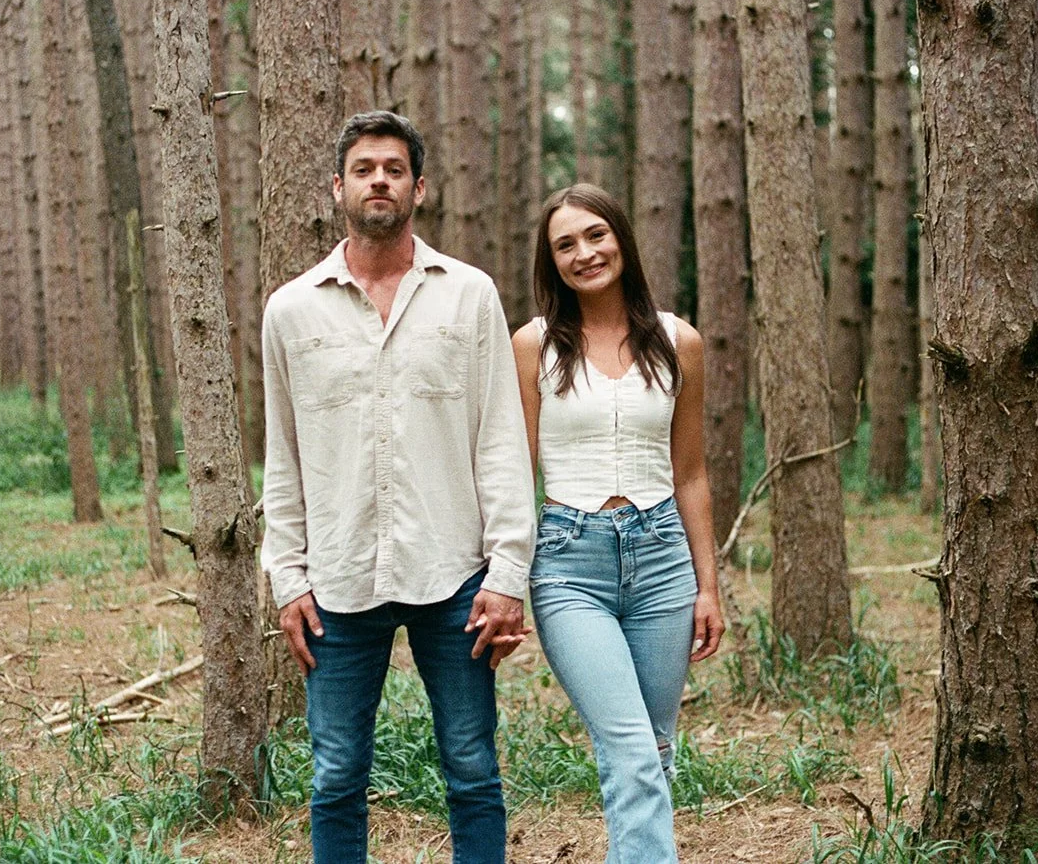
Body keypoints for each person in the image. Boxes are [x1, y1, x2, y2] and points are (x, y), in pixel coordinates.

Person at [260, 110, 537, 864]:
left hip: (455, 575)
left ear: (420, 185)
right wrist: (287, 579)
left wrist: (508, 573)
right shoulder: (290, 310)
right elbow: (280, 456)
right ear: (338, 187)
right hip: (337, 582)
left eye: (392, 167)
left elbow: (501, 441)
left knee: (474, 769)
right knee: (336, 774)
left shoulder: (470, 295)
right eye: (362, 168)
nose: (377, 179)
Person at [510, 182, 725, 863]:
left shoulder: (678, 341)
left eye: (595, 234)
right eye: (565, 244)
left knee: (654, 751)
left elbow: (690, 472)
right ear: (552, 262)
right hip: (570, 563)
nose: (585, 253)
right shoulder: (533, 345)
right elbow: (518, 473)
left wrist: (708, 586)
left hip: (662, 558)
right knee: (632, 748)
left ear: (622, 239)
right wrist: (505, 579)